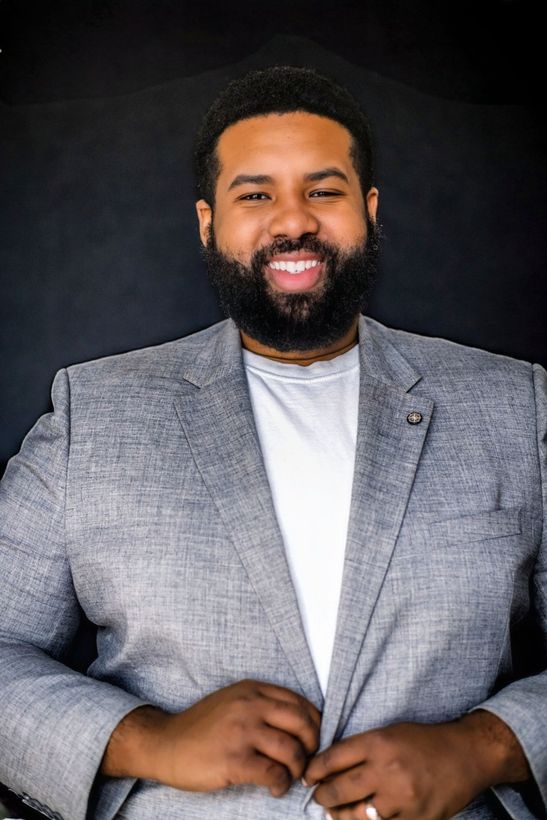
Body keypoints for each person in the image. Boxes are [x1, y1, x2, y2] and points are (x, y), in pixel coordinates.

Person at [0, 66, 545, 820]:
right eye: (255, 194)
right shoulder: (95, 413)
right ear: (206, 221)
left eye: (323, 191)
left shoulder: (512, 403)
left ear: (370, 210)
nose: (292, 221)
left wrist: (483, 747)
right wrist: (147, 738)